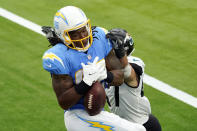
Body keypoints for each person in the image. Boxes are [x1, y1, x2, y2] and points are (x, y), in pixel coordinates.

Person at [42, 6, 146, 131]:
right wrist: (85, 83)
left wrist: (105, 75)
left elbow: (120, 77)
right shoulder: (59, 57)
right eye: (74, 34)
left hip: (98, 111)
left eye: (84, 30)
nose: (82, 36)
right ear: (63, 36)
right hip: (77, 115)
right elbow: (64, 102)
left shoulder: (99, 39)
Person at [105, 29, 162, 131]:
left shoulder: (135, 63)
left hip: (143, 125)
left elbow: (126, 74)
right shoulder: (104, 65)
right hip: (120, 126)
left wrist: (120, 53)